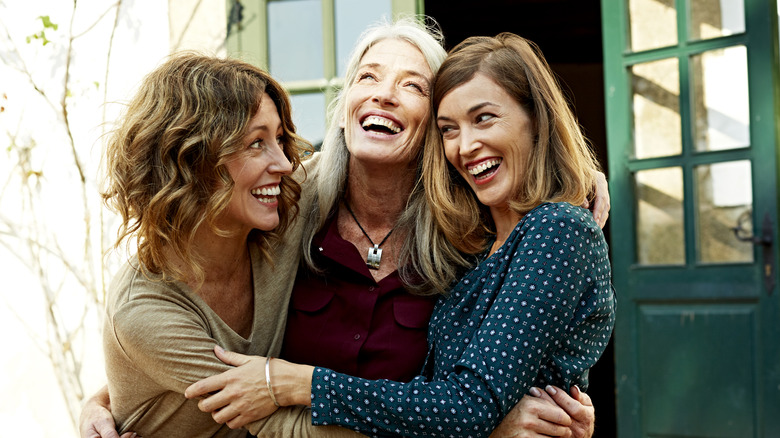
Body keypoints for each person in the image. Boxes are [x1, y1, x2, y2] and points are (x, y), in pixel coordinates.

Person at [82, 17, 608, 438]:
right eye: (368, 76)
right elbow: (180, 298)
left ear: (431, 129)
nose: (383, 94)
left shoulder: (467, 233)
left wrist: (582, 180)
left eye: (412, 86)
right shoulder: (288, 211)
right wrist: (107, 396)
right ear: (343, 109)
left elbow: (489, 378)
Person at [96, 53, 313, 437]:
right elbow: (284, 429)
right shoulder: (144, 309)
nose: (282, 163)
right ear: (190, 162)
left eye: (278, 138)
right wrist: (427, 417)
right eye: (256, 143)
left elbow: (367, 154)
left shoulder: (285, 209)